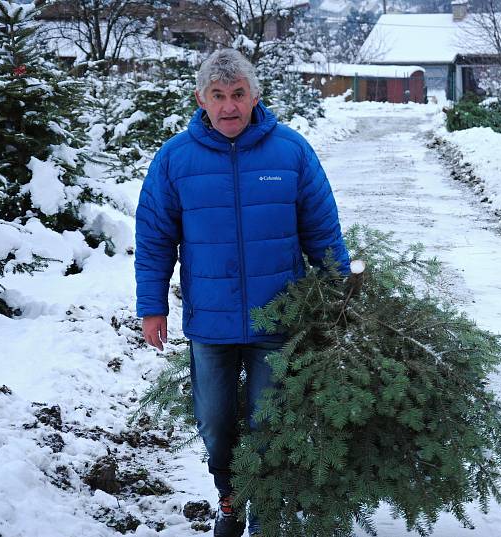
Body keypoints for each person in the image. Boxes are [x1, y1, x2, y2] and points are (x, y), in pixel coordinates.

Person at [134, 48, 350, 537]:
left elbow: (322, 230)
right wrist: (152, 307)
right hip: (211, 323)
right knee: (214, 423)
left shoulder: (291, 152)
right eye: (218, 96)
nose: (229, 107)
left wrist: (341, 294)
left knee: (266, 423)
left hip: (278, 319)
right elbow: (153, 238)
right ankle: (229, 498)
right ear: (201, 100)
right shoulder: (175, 159)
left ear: (254, 96)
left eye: (238, 95)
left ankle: (264, 507)